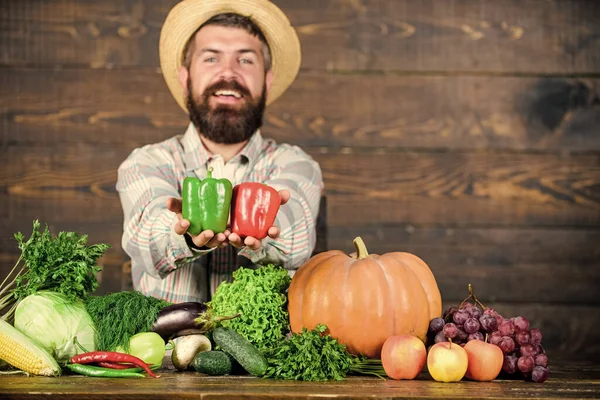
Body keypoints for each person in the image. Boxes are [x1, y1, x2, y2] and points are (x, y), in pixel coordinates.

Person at [116, 0, 323, 304]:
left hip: (266, 353)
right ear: (185, 78)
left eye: (246, 60)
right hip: (165, 350)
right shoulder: (147, 162)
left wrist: (260, 232)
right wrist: (186, 233)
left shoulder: (295, 165)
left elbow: (296, 241)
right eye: (211, 58)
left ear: (267, 80)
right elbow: (147, 238)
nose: (228, 73)